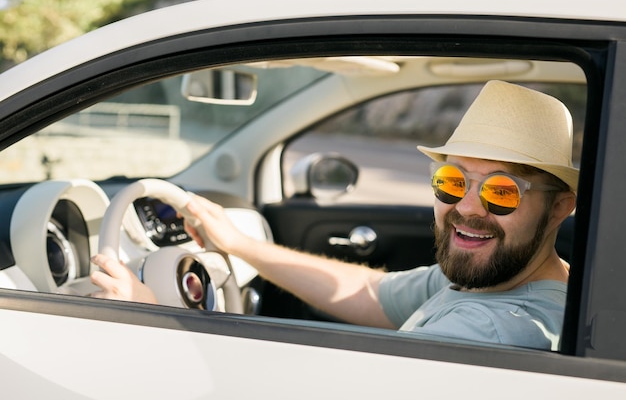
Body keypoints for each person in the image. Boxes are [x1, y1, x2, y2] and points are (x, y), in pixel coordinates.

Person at [90, 80, 578, 350]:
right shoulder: (489, 282)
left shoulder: (490, 331)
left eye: (502, 192)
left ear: (560, 206)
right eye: (452, 182)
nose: (467, 208)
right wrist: (237, 244)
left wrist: (159, 319)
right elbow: (368, 294)